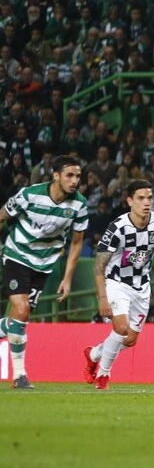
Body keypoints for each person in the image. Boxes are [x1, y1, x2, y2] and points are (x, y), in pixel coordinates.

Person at [82, 180, 154, 390]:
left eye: (149, 198)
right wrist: (103, 298)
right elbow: (99, 265)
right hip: (116, 282)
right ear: (130, 201)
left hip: (142, 287)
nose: (146, 202)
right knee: (121, 328)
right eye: (141, 198)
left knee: (130, 339)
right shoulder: (118, 227)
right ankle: (104, 376)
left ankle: (95, 353)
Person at [0, 155, 88, 389]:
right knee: (22, 308)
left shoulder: (79, 204)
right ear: (56, 175)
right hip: (17, 255)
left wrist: (67, 278)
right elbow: (2, 215)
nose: (75, 180)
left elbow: (77, 243)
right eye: (70, 175)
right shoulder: (29, 195)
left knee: (20, 318)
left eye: (78, 176)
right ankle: (20, 376)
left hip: (45, 264)